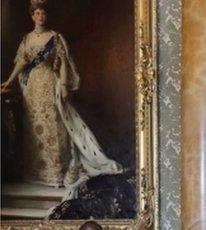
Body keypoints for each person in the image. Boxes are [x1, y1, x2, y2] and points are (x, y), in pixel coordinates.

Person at [0, 0, 122, 194]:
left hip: (50, 84)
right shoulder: (27, 39)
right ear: (32, 16)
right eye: (38, 13)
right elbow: (22, 62)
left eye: (43, 14)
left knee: (53, 127)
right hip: (31, 89)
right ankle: (37, 173)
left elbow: (63, 63)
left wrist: (64, 85)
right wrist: (9, 80)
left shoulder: (55, 38)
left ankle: (56, 173)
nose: (41, 17)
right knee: (33, 128)